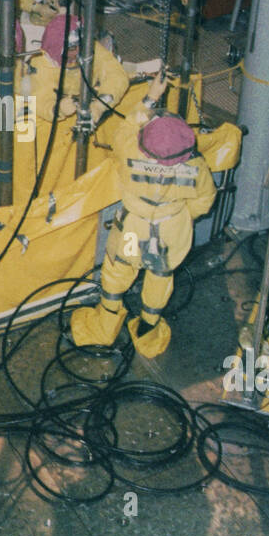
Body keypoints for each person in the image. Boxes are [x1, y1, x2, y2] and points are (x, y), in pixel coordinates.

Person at [69, 73, 216, 358]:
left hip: (133, 230)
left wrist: (151, 97)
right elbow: (204, 200)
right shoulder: (195, 167)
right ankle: (148, 332)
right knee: (160, 277)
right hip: (170, 232)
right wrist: (182, 215)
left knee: (117, 273)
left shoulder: (129, 154)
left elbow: (125, 128)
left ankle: (104, 328)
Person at [29, 12, 129, 124]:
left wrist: (100, 105)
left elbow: (116, 75)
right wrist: (58, 109)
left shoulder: (91, 49)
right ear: (58, 49)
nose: (78, 51)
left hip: (93, 99)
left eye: (81, 44)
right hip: (61, 109)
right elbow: (40, 99)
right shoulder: (41, 63)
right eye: (72, 48)